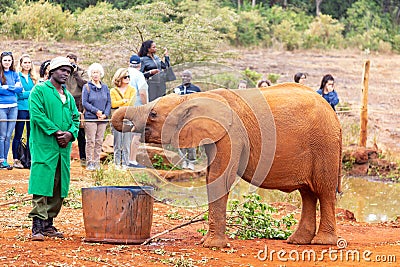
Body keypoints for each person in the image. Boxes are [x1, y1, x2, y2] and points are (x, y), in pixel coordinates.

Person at [28, 56, 80, 241]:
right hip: (45, 145)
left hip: (63, 148)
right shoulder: (39, 91)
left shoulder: (69, 97)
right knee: (42, 183)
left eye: (68, 71)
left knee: (59, 185)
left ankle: (49, 223)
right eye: (62, 70)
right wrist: (57, 132)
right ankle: (38, 226)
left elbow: (76, 118)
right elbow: (37, 115)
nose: (66, 74)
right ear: (52, 71)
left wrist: (70, 134)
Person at [82, 63, 111, 171]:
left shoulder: (105, 87)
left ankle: (97, 162)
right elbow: (84, 102)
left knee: (99, 141)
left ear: (100, 74)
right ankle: (89, 162)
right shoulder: (87, 87)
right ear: (91, 74)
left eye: (97, 72)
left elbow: (108, 102)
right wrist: (96, 111)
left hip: (103, 119)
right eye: (93, 72)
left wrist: (105, 114)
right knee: (91, 141)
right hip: (91, 118)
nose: (95, 75)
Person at [12, 54, 38, 169]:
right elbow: (19, 94)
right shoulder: (17, 76)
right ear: (21, 63)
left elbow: (36, 93)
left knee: (31, 134)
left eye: (29, 62)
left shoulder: (34, 78)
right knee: (18, 133)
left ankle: (28, 159)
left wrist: (27, 93)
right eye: (25, 62)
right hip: (21, 108)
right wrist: (30, 93)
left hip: (32, 108)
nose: (27, 65)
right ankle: (16, 159)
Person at [173, 70, 201, 170]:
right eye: (184, 76)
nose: (185, 78)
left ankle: (191, 162)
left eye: (187, 76)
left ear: (191, 77)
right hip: (180, 118)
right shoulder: (177, 89)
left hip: (191, 118)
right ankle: (183, 161)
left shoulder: (196, 89)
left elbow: (200, 103)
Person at [0, 51, 23, 170]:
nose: (7, 62)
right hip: (2, 107)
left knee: (9, 135)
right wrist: (12, 89)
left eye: (9, 60)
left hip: (14, 107)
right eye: (5, 60)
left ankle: (5, 160)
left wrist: (8, 87)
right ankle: (1, 159)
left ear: (12, 61)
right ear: (1, 61)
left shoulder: (15, 74)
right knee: (2, 135)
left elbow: (20, 89)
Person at [110, 68, 136, 169]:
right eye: (125, 77)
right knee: (117, 143)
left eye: (129, 76)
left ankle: (125, 164)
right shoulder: (113, 90)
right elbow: (113, 104)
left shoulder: (132, 89)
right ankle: (116, 164)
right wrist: (124, 101)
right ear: (119, 78)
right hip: (116, 119)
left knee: (126, 144)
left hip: (128, 119)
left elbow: (131, 104)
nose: (128, 78)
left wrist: (121, 103)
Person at [65, 53, 88, 167]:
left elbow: (85, 85)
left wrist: (75, 73)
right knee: (65, 129)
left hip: (79, 102)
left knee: (80, 132)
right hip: (66, 102)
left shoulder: (82, 71)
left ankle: (83, 157)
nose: (70, 64)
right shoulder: (64, 71)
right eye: (68, 62)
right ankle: (66, 157)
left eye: (72, 62)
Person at [126, 54, 148, 169]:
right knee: (136, 135)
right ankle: (132, 160)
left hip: (124, 108)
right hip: (137, 109)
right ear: (139, 65)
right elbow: (142, 92)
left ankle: (124, 159)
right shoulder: (139, 75)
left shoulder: (124, 72)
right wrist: (146, 106)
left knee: (126, 135)